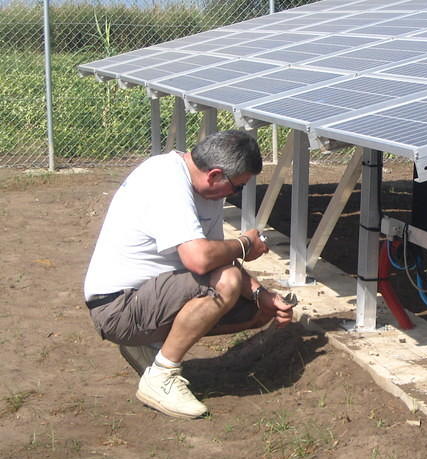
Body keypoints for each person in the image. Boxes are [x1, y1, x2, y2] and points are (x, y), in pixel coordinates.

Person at [84, 130, 294, 419]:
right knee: (227, 283)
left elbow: (221, 261)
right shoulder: (166, 181)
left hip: (149, 296)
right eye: (238, 187)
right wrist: (246, 243)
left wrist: (263, 295)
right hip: (118, 308)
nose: (236, 194)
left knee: (255, 310)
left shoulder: (206, 191)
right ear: (215, 175)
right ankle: (161, 377)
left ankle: (150, 349)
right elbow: (199, 260)